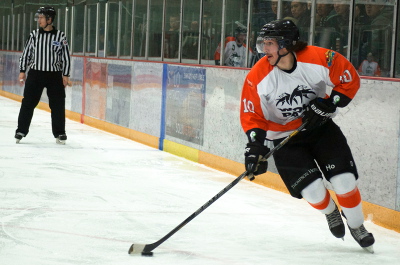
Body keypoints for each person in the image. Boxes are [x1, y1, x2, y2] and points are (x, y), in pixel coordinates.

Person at [240, 19, 375, 253]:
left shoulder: (320, 58)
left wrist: (328, 103)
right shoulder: (258, 76)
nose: (264, 50)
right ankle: (331, 211)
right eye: (263, 43)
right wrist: (255, 147)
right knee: (313, 191)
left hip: (320, 130)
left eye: (269, 44)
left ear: (286, 44)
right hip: (283, 139)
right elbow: (252, 114)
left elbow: (348, 79)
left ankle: (357, 225)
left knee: (345, 182)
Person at [16, 6, 71, 144]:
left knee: (58, 104)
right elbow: (26, 54)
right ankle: (21, 130)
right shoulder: (34, 35)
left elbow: (66, 57)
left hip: (54, 75)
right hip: (36, 74)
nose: (38, 20)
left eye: (41, 17)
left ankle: (60, 133)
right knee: (28, 103)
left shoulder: (60, 36)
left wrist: (66, 75)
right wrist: (22, 71)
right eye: (38, 17)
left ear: (49, 19)